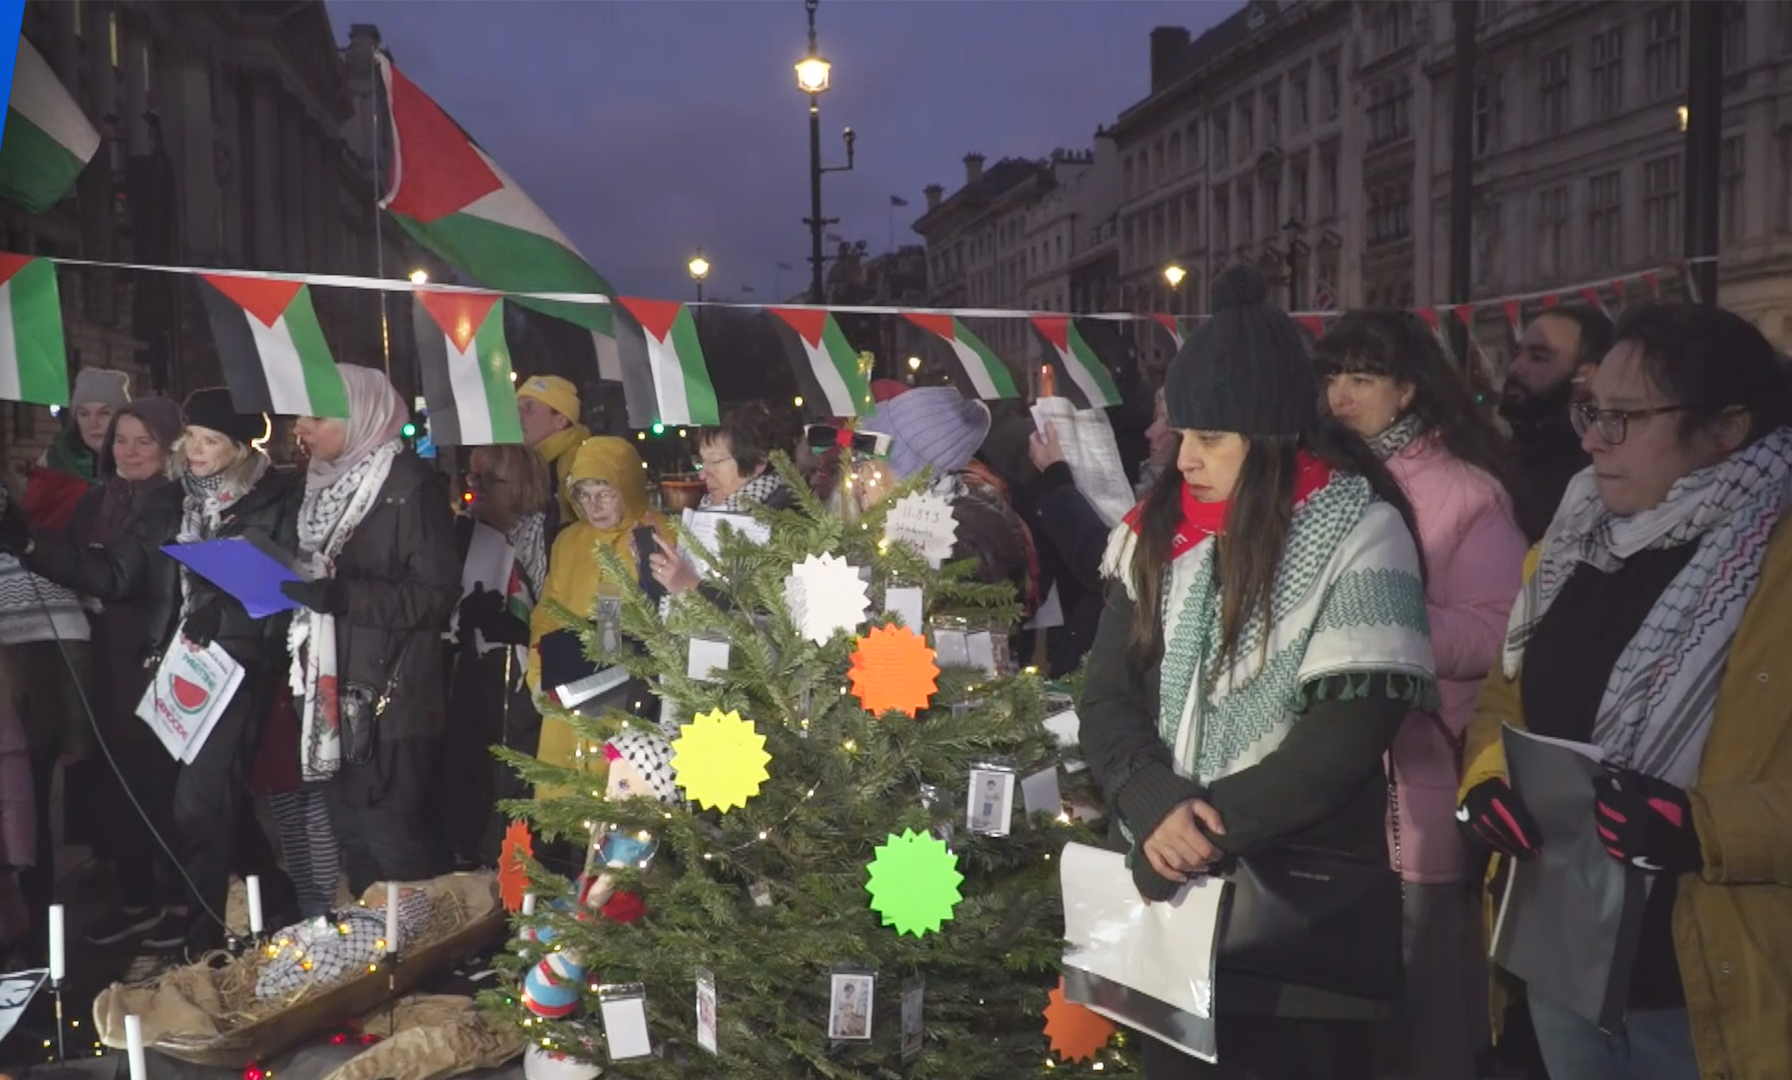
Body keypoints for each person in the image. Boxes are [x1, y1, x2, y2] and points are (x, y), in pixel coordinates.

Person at [1079, 267, 1434, 1079]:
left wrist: (1190, 834)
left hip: (1293, 931)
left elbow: (1340, 744)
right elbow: (1106, 695)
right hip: (1168, 924)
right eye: (1183, 431)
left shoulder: (1362, 534)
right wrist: (1151, 800)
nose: (1186, 457)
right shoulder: (1154, 533)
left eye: (1212, 438)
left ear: (1271, 437)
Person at [1457, 303, 1792, 1080]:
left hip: (1719, 980)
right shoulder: (1572, 538)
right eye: (1590, 410)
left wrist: (1699, 827)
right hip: (1567, 958)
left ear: (1726, 428)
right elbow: (1502, 706)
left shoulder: (1775, 562)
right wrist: (1488, 785)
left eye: (1624, 418)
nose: (1591, 439)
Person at [0, 387, 299, 956]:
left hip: (239, 666)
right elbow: (114, 573)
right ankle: (273, 899)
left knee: (199, 804)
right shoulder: (169, 503)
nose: (198, 453)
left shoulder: (274, 497)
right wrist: (30, 543)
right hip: (180, 667)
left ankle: (202, 940)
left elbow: (287, 585)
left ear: (239, 448)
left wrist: (227, 608)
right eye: (192, 441)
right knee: (197, 805)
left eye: (211, 442)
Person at [1316, 312, 1528, 1080]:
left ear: (1408, 390)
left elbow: (1499, 629)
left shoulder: (1466, 494)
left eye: (1363, 378)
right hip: (1333, 784)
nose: (1341, 394)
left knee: (1431, 999)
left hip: (1423, 779)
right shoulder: (1321, 479)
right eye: (1333, 375)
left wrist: (1380, 618)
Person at [286, 365, 459, 894]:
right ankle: (378, 957)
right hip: (335, 688)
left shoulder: (410, 488)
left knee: (394, 841)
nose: (300, 426)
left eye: (315, 415)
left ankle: (427, 955)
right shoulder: (320, 486)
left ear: (361, 415)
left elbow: (434, 597)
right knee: (354, 840)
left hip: (392, 696)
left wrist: (344, 596)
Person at [59, 397, 190, 949]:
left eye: (144, 442)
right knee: (118, 778)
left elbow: (122, 575)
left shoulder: (176, 502)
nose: (129, 452)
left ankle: (182, 900)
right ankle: (135, 898)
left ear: (168, 449)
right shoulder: (94, 503)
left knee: (165, 781)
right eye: (122, 440)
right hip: (107, 654)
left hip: (159, 654)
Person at [529, 436, 666, 791]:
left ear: (629, 486)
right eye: (583, 493)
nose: (593, 504)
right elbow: (548, 612)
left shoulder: (659, 537)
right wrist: (538, 675)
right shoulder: (570, 542)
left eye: (605, 492)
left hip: (630, 700)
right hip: (567, 693)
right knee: (563, 802)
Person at [446, 444, 552, 865]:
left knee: (511, 775)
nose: (480, 489)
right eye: (475, 478)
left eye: (493, 480)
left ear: (523, 486)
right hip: (473, 669)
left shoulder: (539, 533)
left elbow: (549, 602)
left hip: (522, 676)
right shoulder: (466, 530)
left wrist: (519, 622)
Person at [1500, 308, 1613, 542]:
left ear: (1586, 376)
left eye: (1539, 357)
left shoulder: (1597, 471)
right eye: (1517, 353)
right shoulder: (1503, 455)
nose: (1516, 367)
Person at [515, 375, 590, 537]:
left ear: (560, 421)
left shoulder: (581, 463)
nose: (517, 416)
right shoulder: (531, 464)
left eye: (529, 408)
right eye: (516, 408)